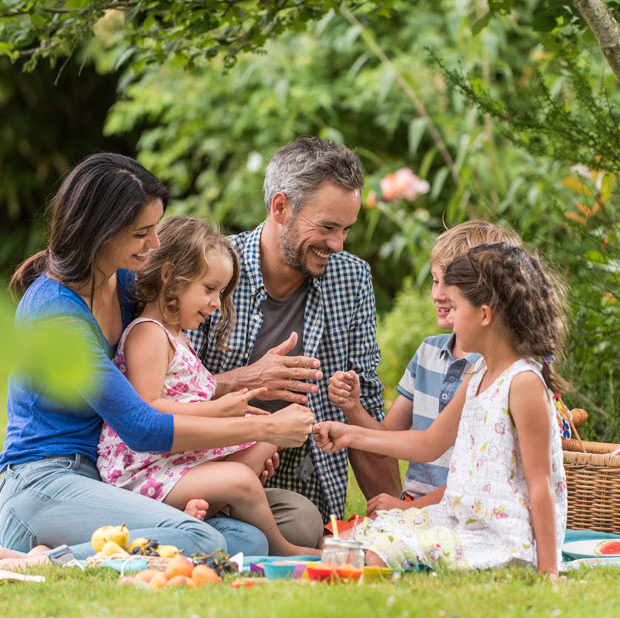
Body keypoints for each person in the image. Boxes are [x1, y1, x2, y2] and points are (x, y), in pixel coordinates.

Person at [0, 153, 315, 565]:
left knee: (249, 542)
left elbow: (171, 384)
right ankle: (42, 559)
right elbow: (141, 427)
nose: (155, 245)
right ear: (99, 232)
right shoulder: (56, 313)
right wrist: (268, 426)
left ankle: (143, 533)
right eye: (142, 233)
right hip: (44, 483)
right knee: (201, 540)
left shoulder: (124, 286)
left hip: (102, 478)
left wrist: (245, 382)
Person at [187, 136, 400, 543]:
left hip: (301, 472)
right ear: (280, 207)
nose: (337, 245)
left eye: (346, 230)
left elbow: (365, 407)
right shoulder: (210, 268)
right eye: (327, 227)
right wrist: (246, 379)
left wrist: (398, 520)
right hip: (204, 462)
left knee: (303, 522)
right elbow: (163, 396)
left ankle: (215, 530)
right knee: (294, 529)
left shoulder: (351, 279)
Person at [314, 241, 568, 578]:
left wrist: (548, 570)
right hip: (459, 518)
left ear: (484, 315)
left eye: (456, 308)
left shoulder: (522, 383)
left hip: (501, 540)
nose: (450, 317)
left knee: (367, 557)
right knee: (340, 542)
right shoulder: (479, 373)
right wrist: (350, 434)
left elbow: (541, 485)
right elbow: (428, 443)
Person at [96, 216, 321, 557]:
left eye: (221, 292)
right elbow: (147, 409)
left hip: (175, 461)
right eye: (209, 289)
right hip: (144, 471)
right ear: (170, 276)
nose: (217, 303)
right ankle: (282, 548)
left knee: (266, 438)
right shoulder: (148, 334)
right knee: (243, 479)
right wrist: (217, 410)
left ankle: (198, 513)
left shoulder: (178, 337)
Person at [326, 221, 524, 517]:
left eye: (450, 285)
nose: (438, 295)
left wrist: (410, 511)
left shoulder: (495, 371)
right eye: (435, 281)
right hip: (415, 506)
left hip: (464, 510)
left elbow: (479, 480)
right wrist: (353, 408)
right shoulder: (428, 353)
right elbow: (387, 443)